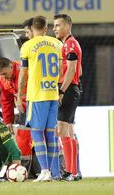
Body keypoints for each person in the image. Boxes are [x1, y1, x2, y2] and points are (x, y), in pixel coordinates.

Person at [17, 15, 62, 182]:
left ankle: (44, 171)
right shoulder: (57, 44)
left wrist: (20, 94)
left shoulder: (27, 46)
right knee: (51, 134)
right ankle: (54, 172)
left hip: (36, 95)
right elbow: (61, 70)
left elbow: (23, 73)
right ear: (45, 28)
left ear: (33, 28)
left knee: (37, 133)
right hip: (53, 94)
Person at [0, 57, 40, 178]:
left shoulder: (25, 71)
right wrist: (8, 121)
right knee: (24, 138)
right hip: (24, 110)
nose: (3, 77)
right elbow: (6, 100)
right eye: (0, 74)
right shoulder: (2, 78)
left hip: (37, 107)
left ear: (11, 66)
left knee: (40, 137)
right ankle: (27, 171)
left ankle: (47, 170)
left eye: (4, 73)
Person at [53, 14, 82, 181]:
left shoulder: (70, 44)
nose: (54, 29)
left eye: (57, 25)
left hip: (69, 90)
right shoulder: (67, 44)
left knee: (63, 130)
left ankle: (71, 172)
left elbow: (71, 70)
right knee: (68, 131)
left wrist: (62, 91)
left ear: (67, 26)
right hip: (72, 89)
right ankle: (73, 172)